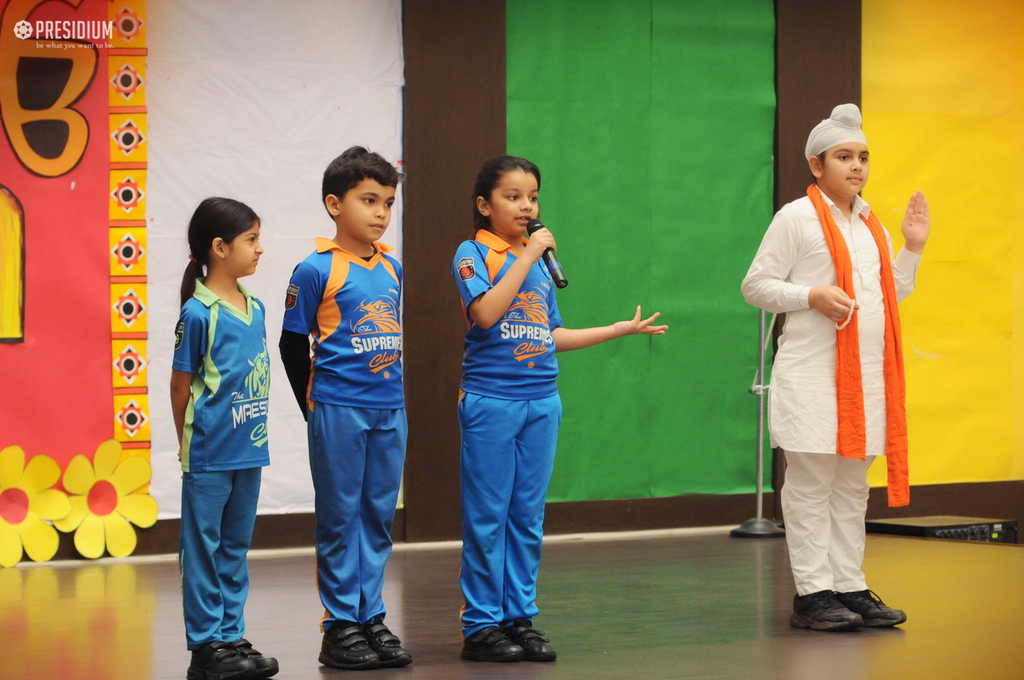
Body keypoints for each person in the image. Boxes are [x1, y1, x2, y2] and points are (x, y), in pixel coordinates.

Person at [452, 155, 668, 662]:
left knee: (526, 515)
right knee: (489, 516)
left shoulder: (541, 269)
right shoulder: (473, 252)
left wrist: (617, 330)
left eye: (532, 197)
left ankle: (517, 616)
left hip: (541, 401)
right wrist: (527, 257)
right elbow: (484, 314)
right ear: (485, 206)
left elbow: (549, 335)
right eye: (512, 196)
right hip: (491, 401)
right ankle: (481, 625)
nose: (526, 206)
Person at [741, 104, 931, 631]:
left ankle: (849, 585)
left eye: (863, 157)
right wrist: (811, 295)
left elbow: (889, 296)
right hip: (811, 376)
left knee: (851, 487)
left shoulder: (871, 224)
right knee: (811, 484)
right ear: (815, 165)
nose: (857, 167)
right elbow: (755, 286)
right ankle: (812, 593)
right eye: (844, 157)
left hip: (867, 378)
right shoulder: (795, 218)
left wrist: (912, 248)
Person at [278, 147, 411, 670]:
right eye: (369, 200)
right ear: (335, 204)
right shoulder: (314, 269)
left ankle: (370, 616)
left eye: (388, 203)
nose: (380, 213)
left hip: (389, 409)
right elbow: (291, 346)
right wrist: (313, 409)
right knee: (340, 518)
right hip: (338, 409)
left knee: (377, 517)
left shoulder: (393, 268)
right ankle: (339, 626)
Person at [171, 197, 278, 680]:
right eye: (251, 240)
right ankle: (206, 645)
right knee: (203, 549)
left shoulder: (254, 307)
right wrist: (185, 443)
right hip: (210, 453)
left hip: (248, 450)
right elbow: (179, 387)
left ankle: (231, 636)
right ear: (219, 247)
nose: (259, 249)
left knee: (235, 548)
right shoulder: (198, 313)